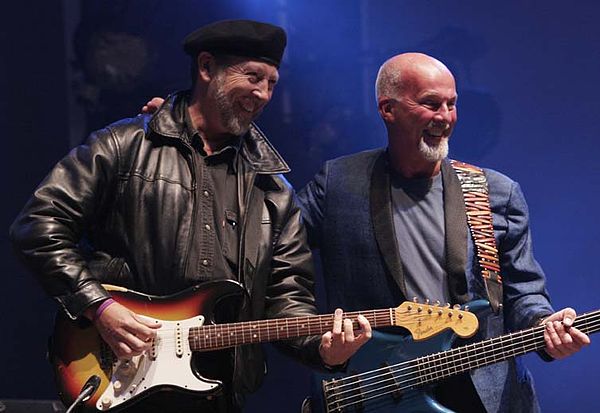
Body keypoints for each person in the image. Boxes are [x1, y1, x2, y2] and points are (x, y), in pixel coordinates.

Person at [9, 19, 371, 413]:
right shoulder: (124, 145)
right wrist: (99, 306)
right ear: (206, 68)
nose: (263, 93)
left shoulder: (273, 192)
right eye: (252, 77)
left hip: (218, 392)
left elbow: (288, 298)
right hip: (119, 379)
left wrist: (325, 349)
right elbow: (37, 227)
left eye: (272, 83)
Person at [297, 52, 590, 412]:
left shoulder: (496, 191)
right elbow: (279, 262)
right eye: (431, 104)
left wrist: (546, 326)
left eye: (452, 104)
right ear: (388, 109)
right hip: (382, 390)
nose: (446, 117)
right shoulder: (339, 183)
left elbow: (523, 292)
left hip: (485, 391)